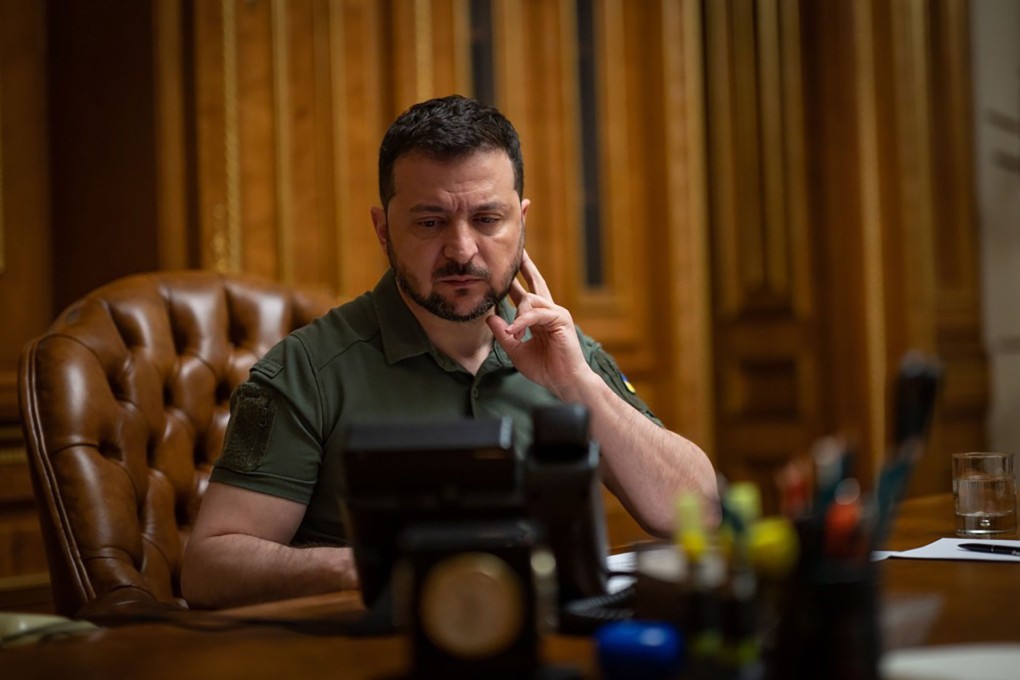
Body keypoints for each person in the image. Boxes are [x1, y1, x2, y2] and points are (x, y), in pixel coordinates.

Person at [181, 95, 717, 609]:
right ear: (384, 230)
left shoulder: (563, 351)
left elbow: (698, 513)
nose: (462, 250)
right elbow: (208, 567)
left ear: (522, 223)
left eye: (487, 220)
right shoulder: (307, 371)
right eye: (430, 222)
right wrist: (367, 567)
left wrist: (578, 385)